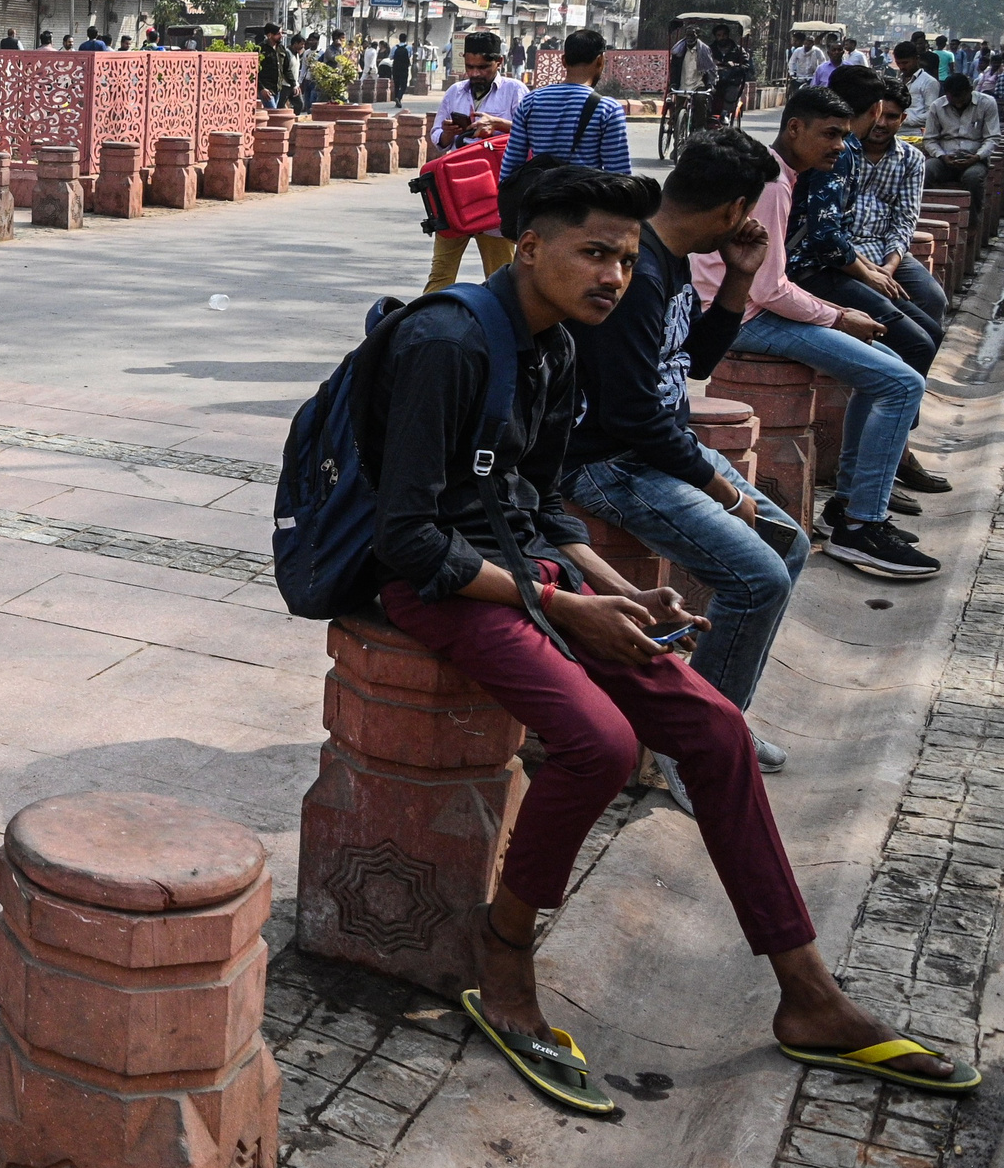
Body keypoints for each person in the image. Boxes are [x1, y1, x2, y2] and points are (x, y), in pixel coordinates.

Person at [365, 164, 975, 1114]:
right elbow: (406, 536)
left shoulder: (557, 342)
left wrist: (624, 594)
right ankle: (505, 949)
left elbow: (538, 504)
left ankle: (808, 994)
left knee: (717, 729)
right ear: (529, 247)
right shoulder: (446, 342)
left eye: (623, 255)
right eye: (594, 252)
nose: (614, 274)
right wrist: (566, 608)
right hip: (430, 580)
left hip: (522, 568)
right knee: (599, 744)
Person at [561, 132, 807, 810]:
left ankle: (720, 719)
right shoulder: (635, 272)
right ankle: (695, 745)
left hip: (659, 449)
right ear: (733, 207)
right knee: (757, 576)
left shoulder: (670, 260)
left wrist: (738, 276)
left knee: (791, 545)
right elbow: (634, 415)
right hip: (608, 463)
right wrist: (724, 491)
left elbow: (693, 361)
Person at [698, 86, 936, 580]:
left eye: (843, 136)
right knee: (901, 382)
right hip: (740, 317)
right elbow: (767, 290)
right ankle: (860, 526)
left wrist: (833, 311)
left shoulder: (778, 172)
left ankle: (851, 503)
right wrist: (837, 316)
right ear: (794, 129)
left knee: (887, 371)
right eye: (829, 134)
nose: (838, 146)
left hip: (748, 305)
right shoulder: (772, 183)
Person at [799, 70, 944, 378]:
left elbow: (903, 220)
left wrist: (881, 270)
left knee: (930, 322)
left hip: (859, 255)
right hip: (811, 268)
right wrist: (868, 274)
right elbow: (826, 236)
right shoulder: (843, 150)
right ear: (875, 109)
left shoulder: (904, 157)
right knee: (917, 346)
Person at [424, 32, 527, 294]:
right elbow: (438, 138)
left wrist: (498, 124)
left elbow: (534, 133)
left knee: (502, 277)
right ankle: (426, 326)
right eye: (470, 67)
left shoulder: (515, 91)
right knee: (440, 275)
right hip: (455, 193)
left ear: (499, 62)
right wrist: (449, 133)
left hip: (495, 196)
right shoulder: (455, 92)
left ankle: (504, 328)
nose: (475, 73)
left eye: (482, 67)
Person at [501, 27, 630, 182]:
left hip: (540, 201)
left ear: (563, 61)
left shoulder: (530, 102)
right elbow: (619, 176)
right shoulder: (608, 109)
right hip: (586, 202)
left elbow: (511, 165)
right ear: (600, 60)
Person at [922, 68, 1002, 193]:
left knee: (973, 177)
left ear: (970, 90)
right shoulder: (937, 106)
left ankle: (974, 213)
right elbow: (929, 139)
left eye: (961, 100)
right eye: (953, 101)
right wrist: (942, 156)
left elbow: (993, 137)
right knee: (925, 170)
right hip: (944, 160)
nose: (958, 105)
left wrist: (977, 156)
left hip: (975, 161)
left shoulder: (987, 103)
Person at [895, 42, 940, 130]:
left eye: (905, 63)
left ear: (917, 59)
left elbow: (931, 114)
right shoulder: (898, 81)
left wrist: (902, 120)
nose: (901, 67)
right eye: (898, 63)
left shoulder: (929, 82)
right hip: (896, 132)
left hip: (916, 134)